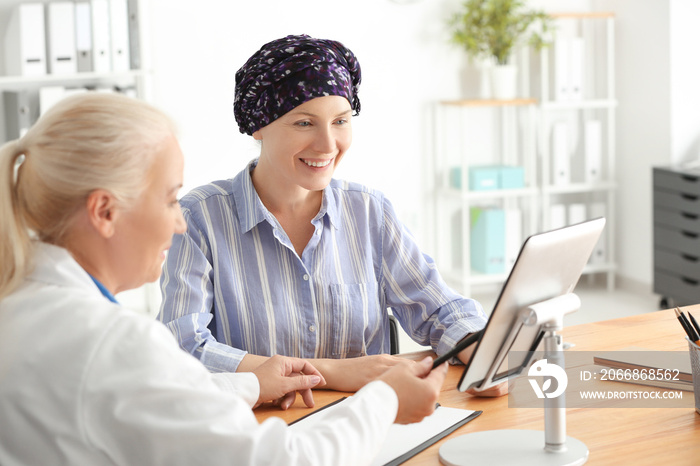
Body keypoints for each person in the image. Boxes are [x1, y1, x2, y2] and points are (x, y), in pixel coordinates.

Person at [0, 92, 448, 465]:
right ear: (104, 212)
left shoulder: (23, 308)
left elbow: (157, 394)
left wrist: (252, 382)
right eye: (171, 199)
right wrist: (384, 399)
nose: (179, 222)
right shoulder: (113, 343)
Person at [159, 34, 503, 395]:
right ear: (258, 124)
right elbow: (182, 349)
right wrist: (329, 373)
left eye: (340, 121)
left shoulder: (369, 211)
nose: (327, 145)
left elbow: (440, 310)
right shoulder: (200, 217)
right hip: (263, 433)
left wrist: (484, 352)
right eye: (304, 123)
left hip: (368, 425)